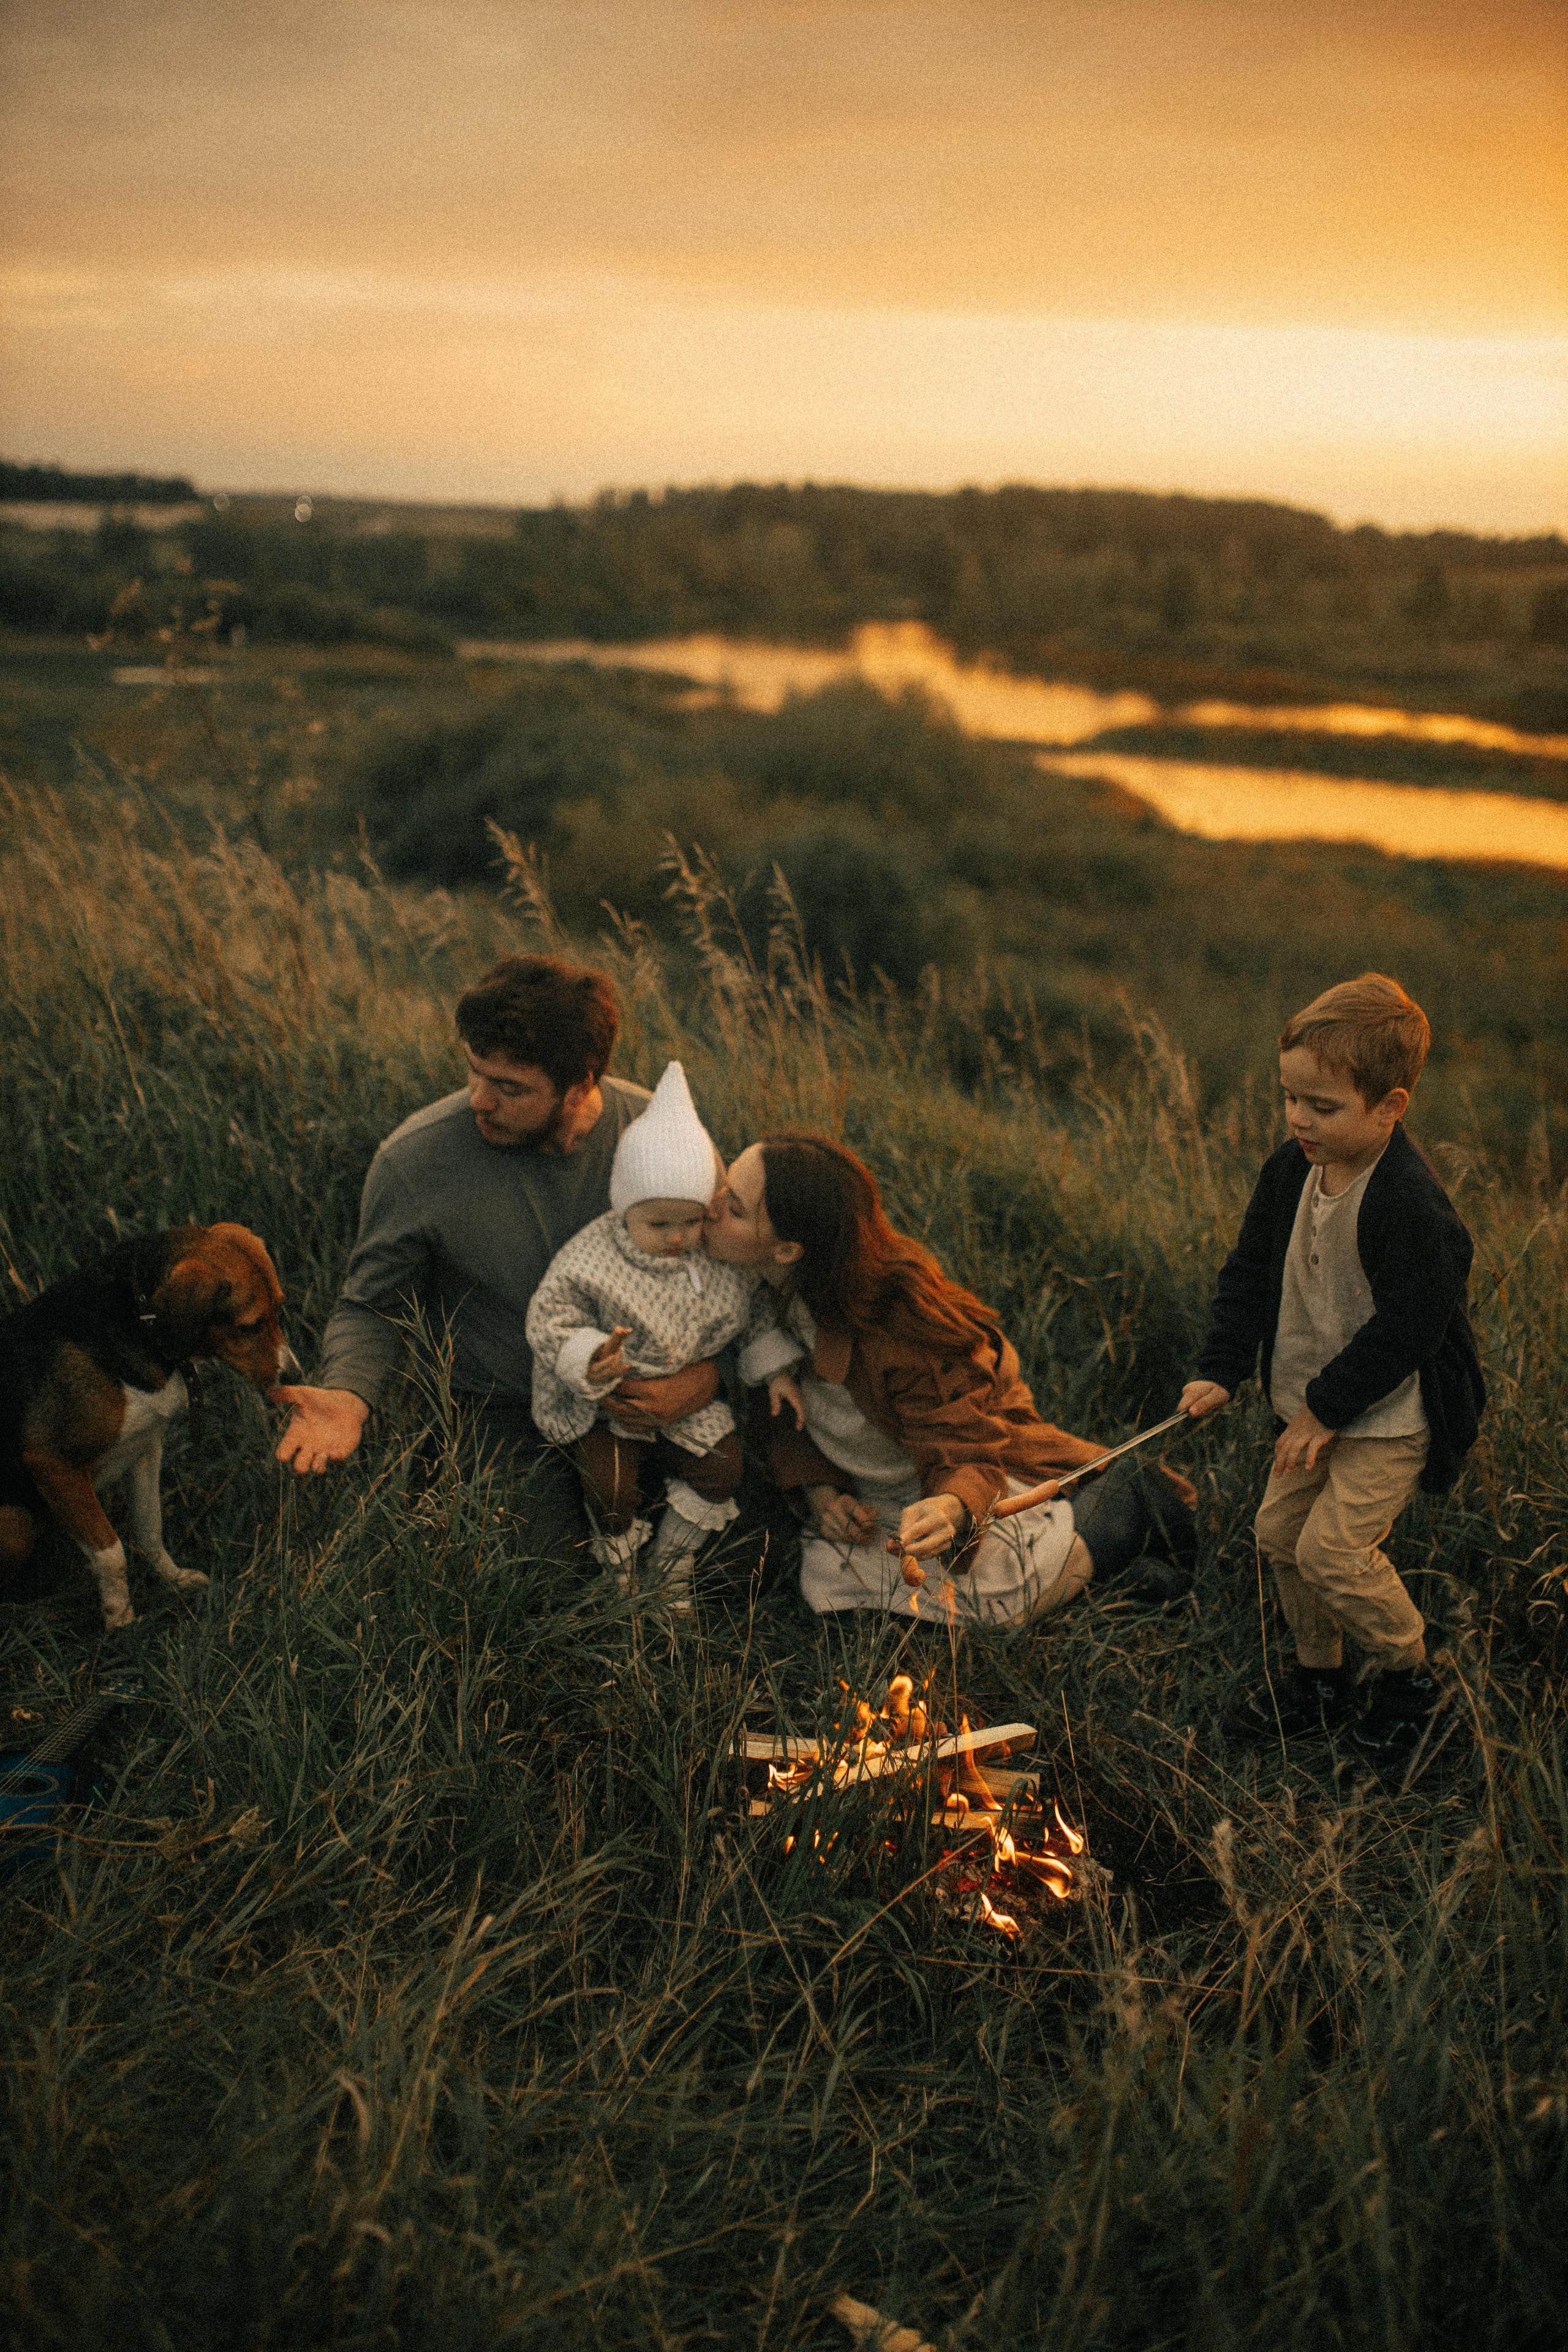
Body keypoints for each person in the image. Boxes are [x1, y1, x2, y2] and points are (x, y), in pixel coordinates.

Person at [273, 955, 720, 1551]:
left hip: (651, 1400)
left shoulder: (663, 1138)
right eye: (474, 1073)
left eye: (509, 1088)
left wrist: (703, 1380)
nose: (480, 1100)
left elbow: (725, 1280)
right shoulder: (415, 1160)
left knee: (744, 1553)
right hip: (505, 1411)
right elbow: (371, 1305)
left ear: (581, 1085)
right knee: (533, 1578)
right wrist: (349, 1395)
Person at [1180, 973, 1485, 1774]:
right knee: (1280, 1535)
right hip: (1312, 1406)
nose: (1297, 1119)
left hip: (1387, 1416)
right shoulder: (1292, 1172)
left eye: (1322, 1107)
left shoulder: (1413, 1207)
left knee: (1334, 1555)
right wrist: (1221, 1370)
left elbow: (1410, 1329)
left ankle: (1415, 1683)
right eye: (1289, 1098)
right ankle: (1320, 1677)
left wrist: (1326, 1410)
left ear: (1390, 1107)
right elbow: (1248, 1272)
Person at [704, 1131, 1196, 1625]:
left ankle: (1120, 1507)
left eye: (736, 1208)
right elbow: (779, 1419)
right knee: (830, 1585)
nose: (712, 1204)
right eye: (724, 1184)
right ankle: (1119, 1586)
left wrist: (950, 1508)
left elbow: (965, 1444)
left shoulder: (895, 1326)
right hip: (879, 1494)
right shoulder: (754, 1291)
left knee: (987, 1598)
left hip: (948, 1481)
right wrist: (821, 1492)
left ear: (788, 1250)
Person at [526, 1061, 798, 1608]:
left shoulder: (720, 1265)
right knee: (610, 1488)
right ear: (625, 1209)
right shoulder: (592, 1257)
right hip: (610, 1401)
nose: (678, 1238)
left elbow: (757, 1316)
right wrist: (587, 1358)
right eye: (658, 1224)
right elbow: (549, 1315)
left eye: (692, 1221)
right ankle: (620, 1577)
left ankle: (672, 1565)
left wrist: (776, 1370)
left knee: (723, 1468)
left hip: (686, 1397)